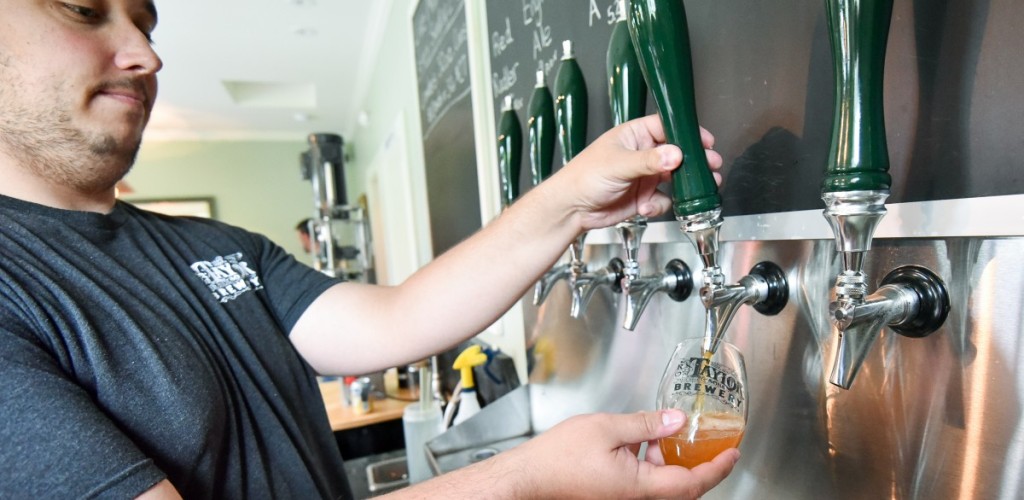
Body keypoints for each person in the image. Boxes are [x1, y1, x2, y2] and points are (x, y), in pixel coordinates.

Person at [0, 1, 735, 498]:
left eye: (146, 23)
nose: (145, 54)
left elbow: (397, 318)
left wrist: (570, 199)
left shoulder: (212, 246)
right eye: (83, 8)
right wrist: (522, 481)